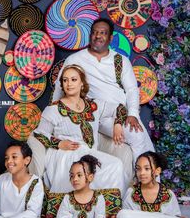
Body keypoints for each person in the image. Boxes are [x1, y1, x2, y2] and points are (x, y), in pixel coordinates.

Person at [51, 17, 155, 182]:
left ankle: (150, 185)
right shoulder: (76, 60)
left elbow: (131, 90)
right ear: (90, 35)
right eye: (94, 33)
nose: (98, 36)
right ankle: (144, 184)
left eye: (103, 33)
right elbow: (59, 87)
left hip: (122, 112)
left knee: (142, 138)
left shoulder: (120, 60)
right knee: (137, 137)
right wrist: (54, 113)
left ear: (110, 38)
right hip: (97, 113)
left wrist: (133, 114)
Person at [33, 64, 126, 195]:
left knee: (116, 164)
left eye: (73, 79)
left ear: (82, 83)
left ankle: (108, 205)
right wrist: (59, 143)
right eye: (65, 80)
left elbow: (120, 108)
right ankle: (73, 206)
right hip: (65, 153)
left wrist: (117, 124)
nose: (69, 84)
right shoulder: (53, 109)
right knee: (81, 170)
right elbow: (39, 134)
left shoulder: (93, 105)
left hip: (88, 153)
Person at [31, 155, 120, 218]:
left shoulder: (98, 197)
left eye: (79, 175)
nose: (75, 179)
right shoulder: (68, 198)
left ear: (90, 177)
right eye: (71, 176)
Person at [117, 151, 190, 218]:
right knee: (122, 215)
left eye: (147, 169)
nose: (141, 173)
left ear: (157, 171)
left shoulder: (168, 194)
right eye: (138, 169)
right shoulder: (131, 192)